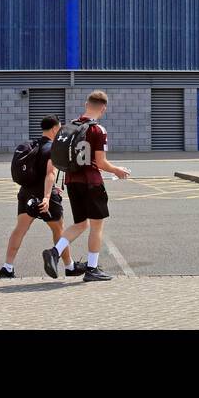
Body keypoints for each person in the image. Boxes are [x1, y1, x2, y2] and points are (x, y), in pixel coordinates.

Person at [42, 90, 130, 283]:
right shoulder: (98, 130)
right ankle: (92, 269)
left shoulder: (71, 126)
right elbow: (101, 163)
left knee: (81, 223)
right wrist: (117, 170)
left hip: (72, 181)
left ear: (86, 104)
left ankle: (54, 252)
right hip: (92, 182)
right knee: (96, 226)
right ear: (103, 108)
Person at [0, 116, 84, 279]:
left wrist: (51, 187)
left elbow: (36, 172)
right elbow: (50, 173)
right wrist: (46, 197)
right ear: (54, 129)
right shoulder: (53, 148)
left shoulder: (33, 145)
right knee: (59, 230)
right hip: (46, 197)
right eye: (59, 128)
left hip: (26, 193)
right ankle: (69, 266)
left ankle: (7, 267)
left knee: (19, 230)